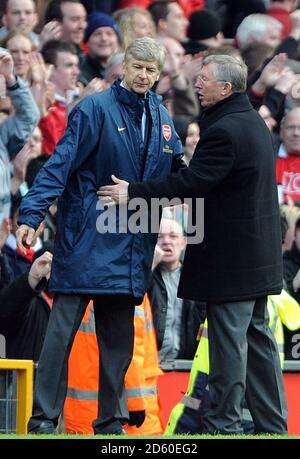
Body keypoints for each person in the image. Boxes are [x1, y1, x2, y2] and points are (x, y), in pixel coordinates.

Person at [98, 54, 288, 434]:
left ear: (226, 88)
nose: (197, 84)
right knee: (258, 342)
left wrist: (133, 191)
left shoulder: (225, 130)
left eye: (204, 79)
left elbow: (192, 185)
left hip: (232, 261)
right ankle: (272, 426)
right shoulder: (251, 122)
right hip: (256, 258)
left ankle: (223, 423)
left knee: (229, 344)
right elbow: (207, 178)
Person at [16, 37, 184, 435]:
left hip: (133, 246)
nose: (144, 75)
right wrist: (33, 212)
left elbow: (181, 174)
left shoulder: (162, 118)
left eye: (152, 70)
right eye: (138, 66)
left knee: (118, 344)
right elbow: (60, 163)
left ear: (160, 75)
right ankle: (43, 420)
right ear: (124, 66)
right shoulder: (94, 108)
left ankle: (109, 422)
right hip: (87, 239)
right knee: (61, 337)